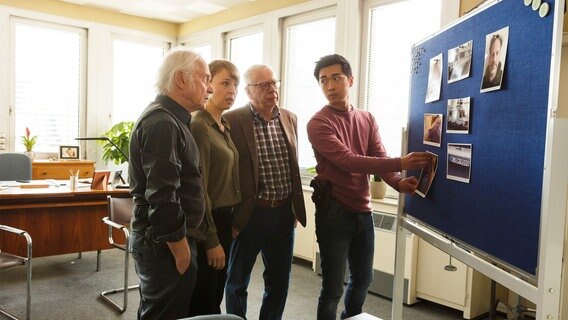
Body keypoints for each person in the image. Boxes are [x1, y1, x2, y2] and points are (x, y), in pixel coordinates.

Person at [307, 54, 432, 320]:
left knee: (363, 279)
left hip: (363, 212)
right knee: (332, 287)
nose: (330, 86)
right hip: (334, 213)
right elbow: (348, 161)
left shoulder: (367, 118)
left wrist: (398, 182)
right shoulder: (318, 123)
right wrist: (401, 162)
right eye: (323, 81)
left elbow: (377, 154)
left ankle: (351, 317)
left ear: (350, 80)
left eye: (336, 78)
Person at [128, 47, 213, 320]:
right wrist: (180, 249)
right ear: (180, 79)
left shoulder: (173, 119)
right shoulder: (162, 122)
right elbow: (163, 195)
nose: (209, 88)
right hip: (165, 245)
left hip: (170, 240)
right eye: (204, 78)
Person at [224, 64, 307, 320]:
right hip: (250, 214)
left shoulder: (290, 117)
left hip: (283, 213)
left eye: (274, 83)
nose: (272, 89)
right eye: (264, 85)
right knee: (237, 280)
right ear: (249, 92)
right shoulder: (232, 120)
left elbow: (292, 165)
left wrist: (293, 207)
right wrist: (232, 215)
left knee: (279, 281)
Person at [188, 60, 242, 316]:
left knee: (216, 291)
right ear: (207, 84)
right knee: (205, 299)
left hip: (224, 220)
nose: (232, 90)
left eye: (235, 84)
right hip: (208, 222)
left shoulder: (223, 126)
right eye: (224, 83)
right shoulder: (200, 125)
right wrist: (211, 240)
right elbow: (199, 189)